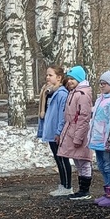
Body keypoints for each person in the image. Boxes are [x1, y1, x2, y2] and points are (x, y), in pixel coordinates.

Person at [57, 66, 94, 200]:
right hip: (71, 131)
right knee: (78, 161)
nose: (70, 81)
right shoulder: (74, 92)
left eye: (73, 79)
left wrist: (78, 137)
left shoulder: (82, 95)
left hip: (79, 133)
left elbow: (84, 117)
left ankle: (85, 190)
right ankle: (81, 189)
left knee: (83, 161)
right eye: (69, 79)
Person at [91, 70, 110, 207]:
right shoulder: (100, 99)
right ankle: (107, 191)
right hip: (97, 139)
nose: (102, 86)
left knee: (108, 166)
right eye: (100, 83)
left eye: (105, 83)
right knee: (102, 166)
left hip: (106, 140)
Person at [39, 66, 71, 196]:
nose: (47, 77)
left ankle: (67, 186)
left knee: (62, 159)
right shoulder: (50, 93)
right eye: (47, 75)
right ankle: (63, 184)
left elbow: (62, 115)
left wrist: (58, 132)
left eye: (50, 75)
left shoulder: (62, 94)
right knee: (58, 159)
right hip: (51, 131)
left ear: (59, 77)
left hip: (57, 133)